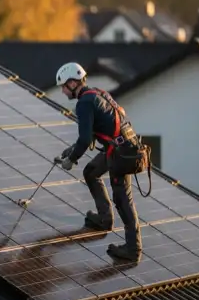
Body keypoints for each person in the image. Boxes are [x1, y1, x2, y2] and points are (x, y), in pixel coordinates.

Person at [53, 62, 143, 262]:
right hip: (123, 147)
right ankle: (104, 219)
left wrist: (71, 160)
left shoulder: (84, 103)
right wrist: (69, 152)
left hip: (122, 153)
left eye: (63, 86)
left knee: (123, 201)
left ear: (73, 83)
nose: (62, 91)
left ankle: (133, 249)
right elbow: (94, 132)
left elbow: (85, 140)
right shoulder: (96, 93)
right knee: (91, 172)